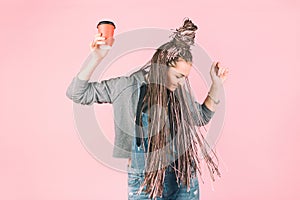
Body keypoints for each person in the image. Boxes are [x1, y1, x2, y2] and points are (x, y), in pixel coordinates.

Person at [66, 18, 229, 200]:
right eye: (178, 76)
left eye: (185, 77)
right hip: (144, 179)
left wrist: (216, 84)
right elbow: (77, 93)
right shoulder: (126, 87)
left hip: (183, 177)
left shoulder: (180, 92)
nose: (182, 82)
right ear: (161, 67)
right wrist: (96, 58)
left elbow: (202, 118)